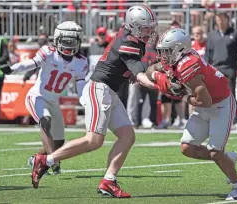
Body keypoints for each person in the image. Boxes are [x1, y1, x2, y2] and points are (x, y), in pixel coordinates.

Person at [29, 5, 170, 198]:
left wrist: (157, 66)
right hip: (99, 89)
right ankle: (46, 161)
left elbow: (132, 69)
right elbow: (139, 75)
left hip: (109, 91)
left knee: (127, 136)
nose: (150, 31)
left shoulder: (132, 38)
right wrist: (162, 86)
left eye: (150, 27)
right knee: (94, 140)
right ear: (134, 26)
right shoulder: (129, 41)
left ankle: (108, 181)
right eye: (146, 28)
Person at [147, 28, 237, 201]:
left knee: (215, 152)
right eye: (162, 51)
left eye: (166, 51)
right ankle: (227, 159)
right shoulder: (176, 58)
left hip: (220, 105)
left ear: (179, 49)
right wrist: (158, 76)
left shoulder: (188, 66)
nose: (163, 56)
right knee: (187, 147)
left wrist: (180, 94)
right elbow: (151, 69)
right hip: (205, 106)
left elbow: (205, 101)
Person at [0, 21, 89, 175]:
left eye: (72, 42)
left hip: (53, 101)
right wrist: (13, 68)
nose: (68, 46)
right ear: (57, 39)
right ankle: (53, 162)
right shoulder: (48, 52)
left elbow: (81, 85)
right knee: (45, 121)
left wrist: (86, 100)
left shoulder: (81, 62)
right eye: (65, 41)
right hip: (37, 97)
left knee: (59, 142)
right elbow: (32, 63)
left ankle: (36, 159)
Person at [204, 12, 237, 127]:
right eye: (218, 20)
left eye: (222, 20)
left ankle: (234, 120)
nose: (220, 22)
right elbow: (208, 53)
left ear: (227, 20)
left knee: (230, 95)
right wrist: (206, 69)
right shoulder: (212, 35)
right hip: (215, 69)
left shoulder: (235, 34)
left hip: (230, 68)